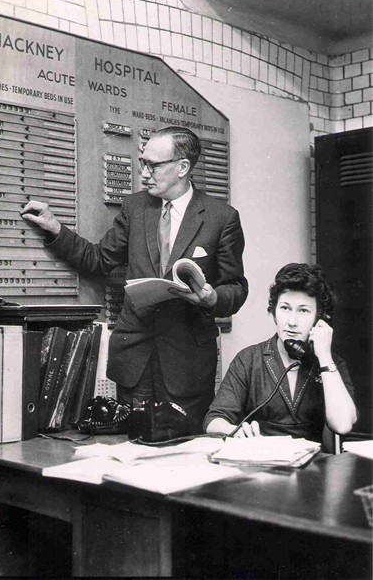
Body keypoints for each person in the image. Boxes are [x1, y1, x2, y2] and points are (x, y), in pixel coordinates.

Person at [21, 126, 248, 434]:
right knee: (131, 453)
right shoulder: (135, 208)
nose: (144, 172)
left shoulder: (222, 217)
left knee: (184, 456)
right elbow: (98, 259)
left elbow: (236, 286)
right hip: (134, 360)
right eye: (143, 162)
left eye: (153, 165)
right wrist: (55, 228)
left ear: (183, 167)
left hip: (187, 365)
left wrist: (212, 298)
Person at [204, 263, 357, 445]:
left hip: (315, 467)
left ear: (319, 318)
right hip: (262, 465)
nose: (292, 322)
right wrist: (235, 431)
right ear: (274, 312)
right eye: (285, 308)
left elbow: (343, 425)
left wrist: (324, 358)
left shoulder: (331, 365)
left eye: (303, 310)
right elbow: (213, 420)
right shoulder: (248, 360)